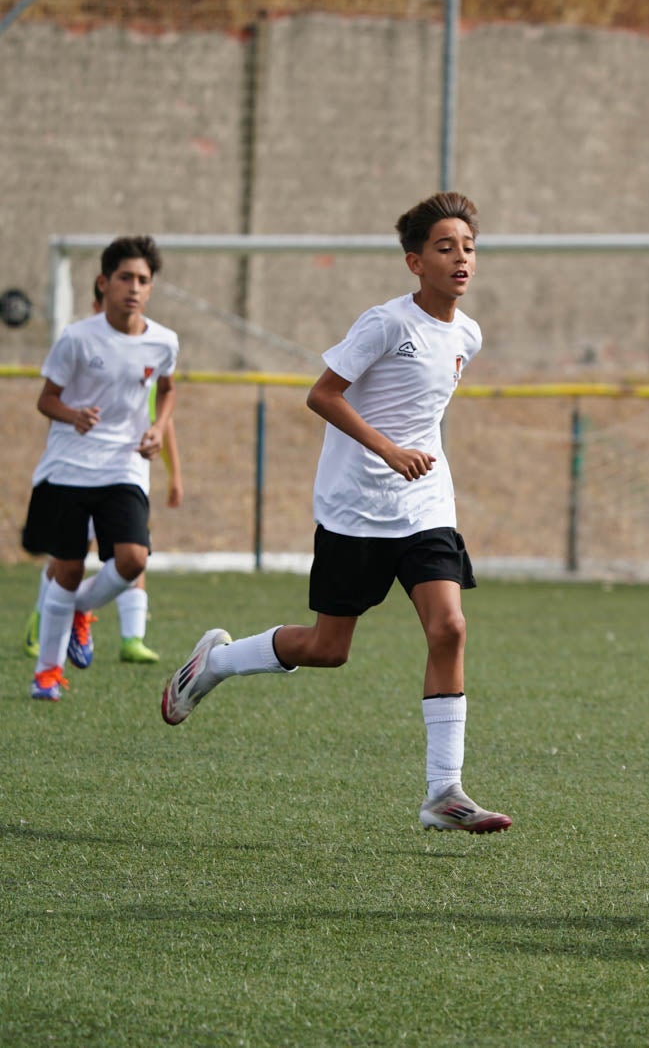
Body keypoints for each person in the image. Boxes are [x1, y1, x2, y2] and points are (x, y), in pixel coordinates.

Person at [159, 191, 510, 834]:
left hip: (425, 505)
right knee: (328, 648)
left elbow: (421, 413)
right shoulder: (385, 324)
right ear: (414, 262)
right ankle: (216, 663)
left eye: (468, 247)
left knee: (450, 628)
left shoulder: (469, 334)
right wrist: (386, 449)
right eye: (445, 247)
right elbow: (322, 395)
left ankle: (444, 792)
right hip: (355, 507)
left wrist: (414, 458)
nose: (461, 258)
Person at [22, 236, 178, 701]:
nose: (134, 287)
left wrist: (158, 428)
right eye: (125, 277)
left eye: (143, 280)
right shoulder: (76, 338)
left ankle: (80, 611)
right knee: (66, 570)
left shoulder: (164, 341)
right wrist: (74, 415)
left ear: (151, 289)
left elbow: (167, 390)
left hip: (124, 466)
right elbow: (45, 399)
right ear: (103, 282)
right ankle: (46, 673)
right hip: (68, 468)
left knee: (133, 559)